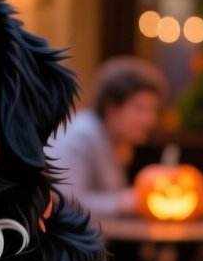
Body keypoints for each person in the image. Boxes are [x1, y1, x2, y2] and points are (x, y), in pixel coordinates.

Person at [46, 56, 166, 215]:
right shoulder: (80, 136)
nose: (149, 119)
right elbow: (65, 201)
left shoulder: (116, 141)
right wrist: (124, 202)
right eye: (140, 108)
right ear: (111, 107)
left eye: (153, 110)